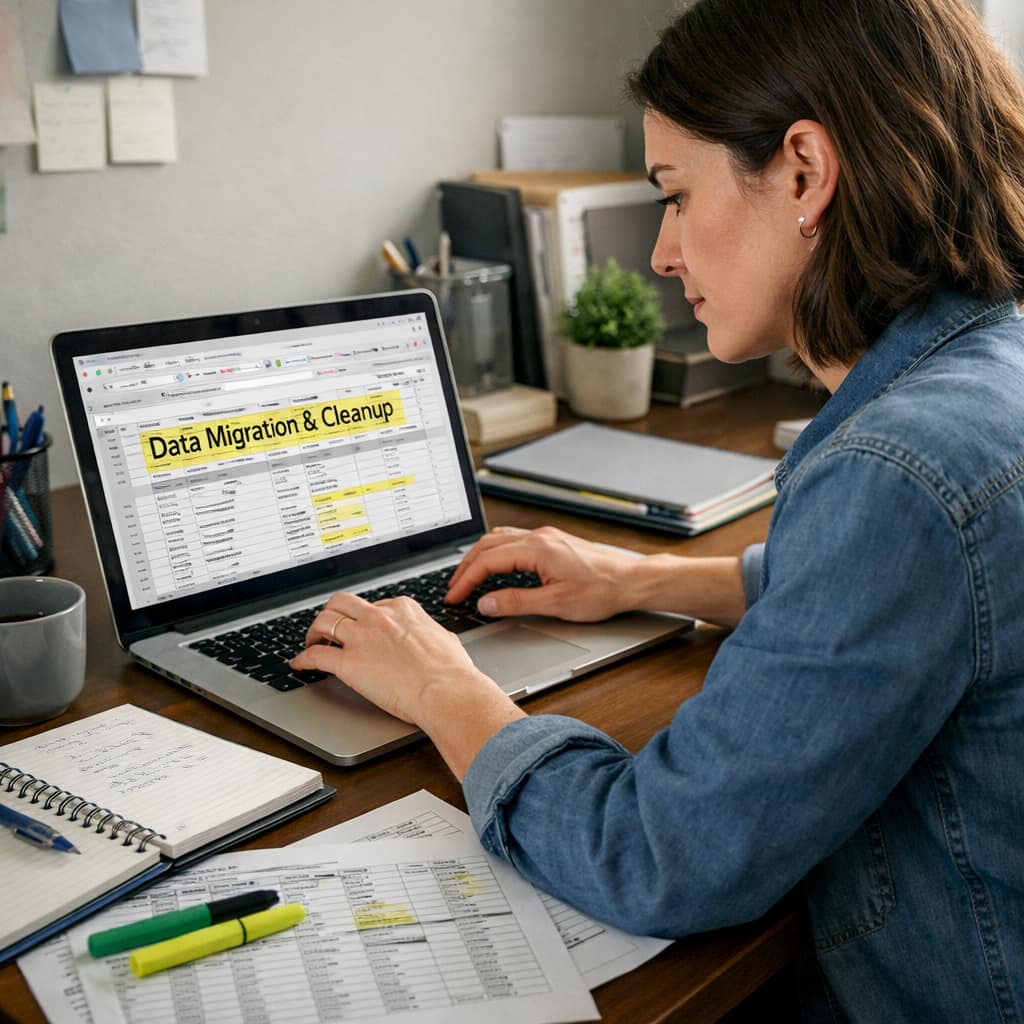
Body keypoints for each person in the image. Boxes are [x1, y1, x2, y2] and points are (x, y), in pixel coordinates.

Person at [291, 0, 1024, 1017]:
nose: (660, 255)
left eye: (674, 197)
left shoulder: (899, 469)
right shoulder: (993, 364)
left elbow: (658, 858)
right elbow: (946, 597)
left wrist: (440, 688)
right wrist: (645, 577)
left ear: (805, 173)